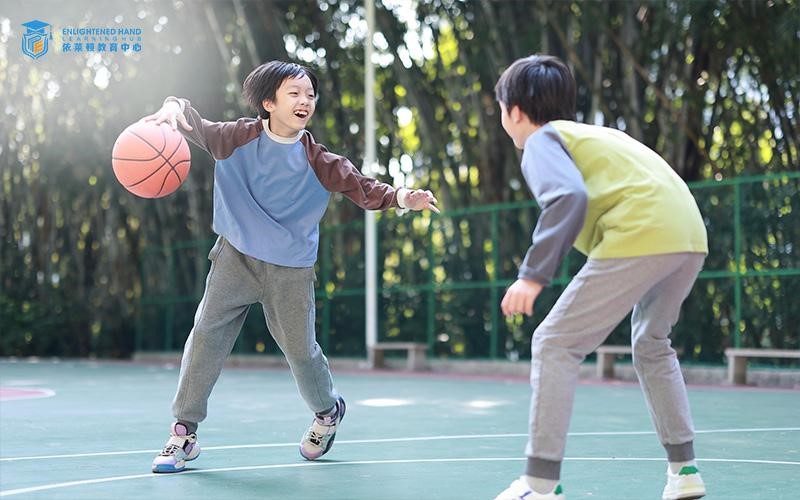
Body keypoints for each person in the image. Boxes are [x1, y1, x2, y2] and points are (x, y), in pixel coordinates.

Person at [142, 61, 439, 473]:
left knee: (300, 351)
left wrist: (404, 197)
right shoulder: (235, 139)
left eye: (310, 94)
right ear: (269, 102)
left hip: (291, 268)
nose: (305, 101)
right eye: (295, 93)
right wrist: (173, 105)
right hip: (235, 258)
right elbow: (192, 121)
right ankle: (183, 432)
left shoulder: (319, 160)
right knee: (205, 337)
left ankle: (327, 412)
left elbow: (365, 188)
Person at [492, 54, 708, 500]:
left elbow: (567, 197)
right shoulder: (591, 134)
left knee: (553, 342)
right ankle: (684, 471)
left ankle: (539, 484)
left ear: (514, 112)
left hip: (641, 233)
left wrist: (533, 275)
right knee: (652, 343)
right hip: (688, 234)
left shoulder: (541, 140)